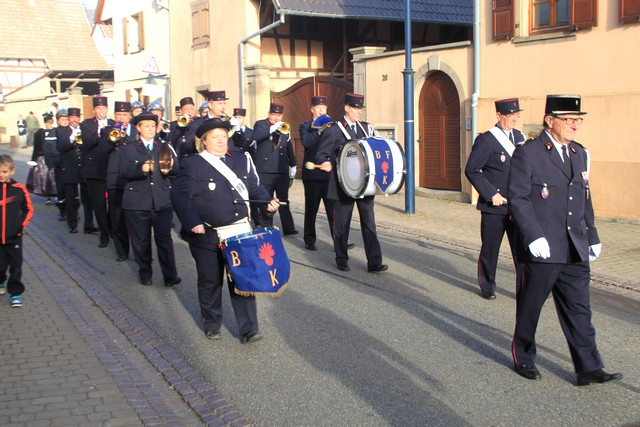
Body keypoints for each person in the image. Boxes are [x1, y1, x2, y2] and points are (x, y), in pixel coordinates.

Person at [507, 94, 622, 385]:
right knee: (531, 306)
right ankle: (524, 357)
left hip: (574, 246)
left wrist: (592, 235)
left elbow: (584, 198)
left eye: (577, 120)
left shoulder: (578, 153)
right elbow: (518, 198)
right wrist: (532, 235)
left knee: (579, 308)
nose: (574, 125)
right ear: (550, 121)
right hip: (543, 247)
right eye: (568, 120)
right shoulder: (529, 152)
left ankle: (588, 367)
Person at [171, 118, 279, 343]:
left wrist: (266, 201)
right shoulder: (192, 164)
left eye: (223, 136)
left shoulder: (240, 159)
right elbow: (180, 197)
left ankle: (249, 329)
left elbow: (254, 188)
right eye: (215, 137)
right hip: (207, 234)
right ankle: (211, 323)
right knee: (210, 281)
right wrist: (193, 222)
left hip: (239, 232)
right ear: (203, 141)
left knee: (243, 280)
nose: (221, 141)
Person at [316, 93, 387, 273]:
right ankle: (341, 259)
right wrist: (324, 162)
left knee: (369, 223)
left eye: (360, 108)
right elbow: (321, 154)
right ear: (346, 108)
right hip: (343, 186)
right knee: (342, 224)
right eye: (355, 108)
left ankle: (374, 262)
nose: (358, 111)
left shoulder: (366, 129)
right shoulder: (334, 130)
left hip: (365, 185)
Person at [464, 98, 525, 300]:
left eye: (516, 115)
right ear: (499, 116)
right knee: (491, 249)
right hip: (495, 205)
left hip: (517, 205)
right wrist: (491, 194)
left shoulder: (520, 137)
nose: (514, 119)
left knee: (522, 250)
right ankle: (487, 285)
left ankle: (526, 287)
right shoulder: (487, 140)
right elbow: (472, 170)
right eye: (510, 116)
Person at [119, 113, 181, 287]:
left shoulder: (164, 146)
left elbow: (176, 167)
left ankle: (170, 275)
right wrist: (141, 168)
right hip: (137, 201)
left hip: (161, 200)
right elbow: (123, 171)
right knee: (141, 240)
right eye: (146, 126)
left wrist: (167, 168)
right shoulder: (128, 148)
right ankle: (145, 271)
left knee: (164, 239)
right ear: (138, 128)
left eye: (153, 126)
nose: (150, 129)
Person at [252, 102, 298, 234]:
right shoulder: (261, 125)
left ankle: (289, 228)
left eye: (279, 115)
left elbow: (288, 147)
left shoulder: (284, 127)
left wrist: (293, 164)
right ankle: (267, 228)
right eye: (274, 115)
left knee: (284, 200)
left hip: (281, 170)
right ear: (269, 114)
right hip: (265, 170)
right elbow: (256, 136)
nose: (277, 118)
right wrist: (272, 129)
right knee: (267, 200)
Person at [300, 96, 335, 251]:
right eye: (318, 107)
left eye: (324, 108)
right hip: (313, 175)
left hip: (328, 175)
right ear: (312, 109)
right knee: (311, 209)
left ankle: (339, 241)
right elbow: (307, 143)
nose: (321, 110)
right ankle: (309, 239)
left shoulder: (332, 126)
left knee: (333, 211)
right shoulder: (306, 126)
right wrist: (320, 130)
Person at [81, 96, 116, 247]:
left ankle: (112, 230)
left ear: (107, 109)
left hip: (111, 169)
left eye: (104, 108)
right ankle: (104, 234)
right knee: (99, 205)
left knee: (113, 205)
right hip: (94, 171)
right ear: (94, 110)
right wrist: (100, 132)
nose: (101, 111)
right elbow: (87, 143)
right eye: (98, 108)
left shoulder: (114, 124)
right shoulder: (87, 124)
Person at [0, 154, 34, 308]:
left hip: (14, 236)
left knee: (16, 265)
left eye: (4, 171)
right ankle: (0, 281)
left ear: (12, 171)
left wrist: (20, 227)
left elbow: (28, 209)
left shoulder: (19, 189)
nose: (1, 175)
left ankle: (15, 293)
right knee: (0, 266)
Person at [104, 102, 135, 262]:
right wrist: (113, 139)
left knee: (135, 218)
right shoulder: (108, 131)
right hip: (115, 178)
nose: (121, 118)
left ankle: (139, 251)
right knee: (117, 217)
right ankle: (121, 250)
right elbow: (102, 151)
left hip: (133, 178)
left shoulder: (136, 131)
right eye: (118, 115)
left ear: (129, 116)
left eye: (124, 115)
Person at [56, 107, 84, 233]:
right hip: (69, 167)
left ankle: (89, 223)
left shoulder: (84, 128)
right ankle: (72, 224)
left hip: (83, 167)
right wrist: (71, 139)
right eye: (72, 117)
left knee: (86, 198)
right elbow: (61, 147)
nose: (74, 120)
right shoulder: (62, 131)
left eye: (76, 117)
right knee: (70, 197)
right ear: (68, 119)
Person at [30, 113, 57, 202]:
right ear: (45, 123)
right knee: (45, 178)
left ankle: (57, 194)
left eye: (51, 123)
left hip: (53, 157)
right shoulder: (39, 133)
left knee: (54, 177)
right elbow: (36, 148)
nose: (49, 125)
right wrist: (33, 160)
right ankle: (48, 196)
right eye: (48, 123)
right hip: (42, 158)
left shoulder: (55, 131)